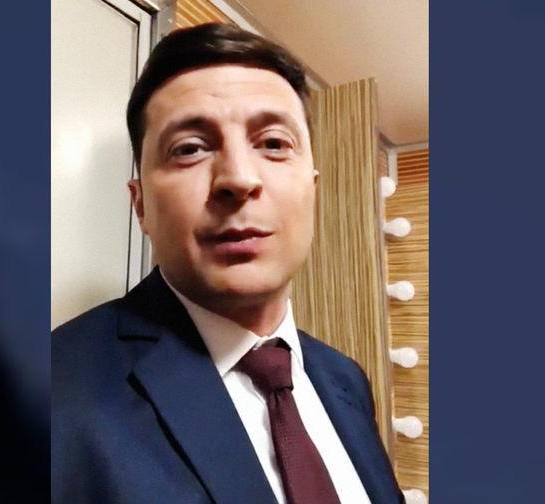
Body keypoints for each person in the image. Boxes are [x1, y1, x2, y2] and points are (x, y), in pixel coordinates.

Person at [52, 23, 404, 504]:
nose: (238, 179)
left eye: (274, 143)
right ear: (140, 205)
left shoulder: (346, 379)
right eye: (189, 149)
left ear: (313, 189)